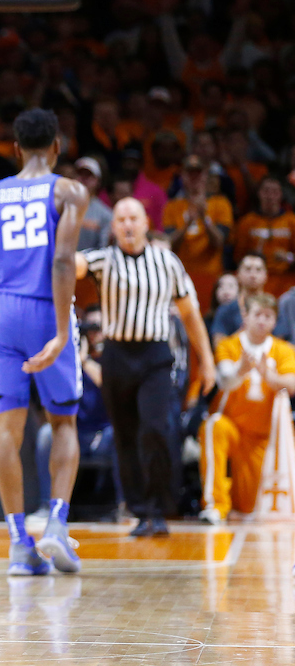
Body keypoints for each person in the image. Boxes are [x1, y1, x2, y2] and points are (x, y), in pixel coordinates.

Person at [0, 108, 89, 575]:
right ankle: (56, 524)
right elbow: (62, 262)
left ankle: (19, 543)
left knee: (6, 431)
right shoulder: (69, 191)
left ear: (15, 150)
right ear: (57, 146)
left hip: (3, 313)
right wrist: (60, 331)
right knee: (63, 424)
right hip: (45, 308)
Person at [76, 198, 217, 536]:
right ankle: (140, 512)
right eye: (121, 218)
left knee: (156, 429)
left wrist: (208, 360)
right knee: (125, 436)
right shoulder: (103, 260)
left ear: (145, 223)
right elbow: (75, 264)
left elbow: (190, 313)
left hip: (155, 355)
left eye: (133, 218)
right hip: (116, 355)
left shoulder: (167, 261)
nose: (126, 224)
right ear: (113, 227)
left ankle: (159, 508)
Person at [200, 293, 295, 524]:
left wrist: (268, 375)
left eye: (268, 316)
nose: (262, 320)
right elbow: (224, 380)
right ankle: (215, 505)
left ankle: (233, 499)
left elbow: (292, 385)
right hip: (232, 427)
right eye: (257, 315)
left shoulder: (283, 350)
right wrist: (241, 369)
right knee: (213, 426)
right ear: (246, 316)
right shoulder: (229, 345)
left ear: (275, 321)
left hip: (262, 437)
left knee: (249, 508)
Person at [31, 307, 122, 517]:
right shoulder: (71, 360)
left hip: (105, 433)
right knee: (46, 435)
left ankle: (123, 506)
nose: (95, 333)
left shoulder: (115, 356)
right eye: (90, 328)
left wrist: (86, 362)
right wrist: (74, 358)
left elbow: (111, 389)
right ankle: (47, 505)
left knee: (120, 435)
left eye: (99, 327)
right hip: (77, 432)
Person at [162, 155, 233, 309]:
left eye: (198, 173)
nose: (194, 178)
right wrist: (187, 223)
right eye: (190, 173)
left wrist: (204, 219)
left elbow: (219, 242)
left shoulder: (220, 203)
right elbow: (169, 244)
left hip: (211, 276)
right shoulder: (172, 206)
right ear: (183, 176)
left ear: (205, 176)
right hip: (181, 277)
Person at [233, 176, 295, 296]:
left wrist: (288, 257)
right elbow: (237, 257)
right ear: (259, 193)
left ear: (280, 195)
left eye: (274, 192)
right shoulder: (247, 222)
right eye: (266, 191)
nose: (270, 196)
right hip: (254, 281)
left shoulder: (291, 221)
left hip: (285, 281)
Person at [211, 255, 291, 345]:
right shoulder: (225, 309)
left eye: (258, 270)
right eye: (248, 269)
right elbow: (218, 345)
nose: (253, 275)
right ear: (238, 275)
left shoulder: (275, 308)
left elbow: (280, 344)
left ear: (266, 275)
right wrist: (243, 332)